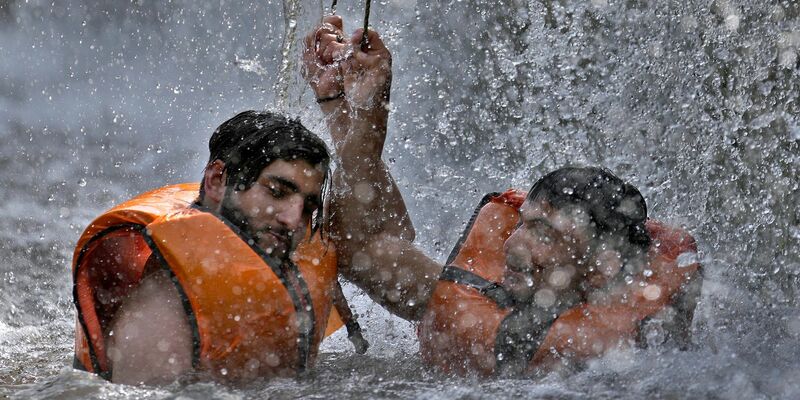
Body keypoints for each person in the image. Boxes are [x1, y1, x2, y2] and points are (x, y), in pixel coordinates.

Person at [305, 18, 702, 377]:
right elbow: (362, 245)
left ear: (603, 267)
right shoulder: (477, 299)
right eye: (524, 224)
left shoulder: (628, 354)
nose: (513, 245)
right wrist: (360, 114)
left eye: (546, 234)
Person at [72, 111, 340, 384]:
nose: (293, 220)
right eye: (276, 192)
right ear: (217, 180)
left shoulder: (258, 275)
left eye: (307, 207)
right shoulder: (161, 314)